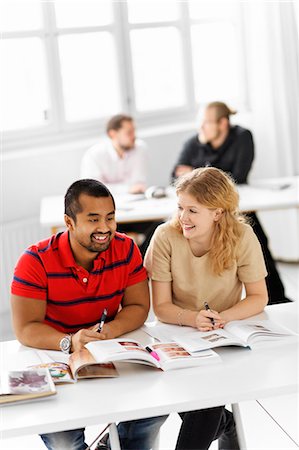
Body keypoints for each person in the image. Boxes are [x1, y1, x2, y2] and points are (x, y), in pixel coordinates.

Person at [10, 178, 167, 450]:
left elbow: (139, 307)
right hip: (55, 355)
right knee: (64, 442)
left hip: (109, 349)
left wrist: (109, 331)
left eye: (110, 218)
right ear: (69, 223)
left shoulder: (126, 248)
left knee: (152, 411)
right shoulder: (34, 261)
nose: (104, 228)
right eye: (93, 219)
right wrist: (70, 341)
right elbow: (25, 329)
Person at [145, 167, 268, 450]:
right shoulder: (165, 236)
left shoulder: (242, 236)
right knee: (208, 405)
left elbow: (259, 296)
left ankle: (225, 423)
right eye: (180, 208)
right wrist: (192, 318)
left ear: (217, 212)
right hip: (176, 334)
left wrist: (222, 318)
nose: (183, 218)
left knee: (208, 398)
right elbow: (161, 307)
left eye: (192, 210)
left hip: (224, 337)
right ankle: (227, 423)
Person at [172, 101, 291, 304]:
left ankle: (276, 298)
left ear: (223, 123)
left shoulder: (243, 137)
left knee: (257, 240)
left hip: (233, 206)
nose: (201, 127)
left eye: (206, 123)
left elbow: (238, 176)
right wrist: (202, 179)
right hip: (200, 210)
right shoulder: (194, 142)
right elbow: (176, 176)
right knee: (162, 233)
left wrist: (196, 173)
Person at [81, 114, 161, 257]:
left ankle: (140, 262)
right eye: (129, 132)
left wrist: (114, 188)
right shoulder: (94, 155)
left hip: (137, 210)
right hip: (109, 214)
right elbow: (93, 190)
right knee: (102, 233)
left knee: (160, 227)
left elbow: (138, 184)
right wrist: (127, 189)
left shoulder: (140, 149)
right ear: (113, 134)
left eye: (134, 131)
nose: (134, 136)